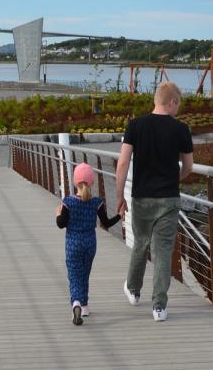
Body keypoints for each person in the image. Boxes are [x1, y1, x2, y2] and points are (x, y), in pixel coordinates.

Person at [115, 81, 194, 322]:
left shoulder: (135, 125)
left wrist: (119, 196)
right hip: (168, 198)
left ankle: (134, 290)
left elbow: (123, 162)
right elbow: (189, 167)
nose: (178, 109)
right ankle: (159, 307)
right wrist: (174, 179)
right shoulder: (181, 129)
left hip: (141, 197)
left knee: (140, 244)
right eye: (178, 104)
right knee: (162, 251)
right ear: (171, 102)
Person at [56, 163, 121, 326]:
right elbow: (106, 223)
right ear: (91, 183)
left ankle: (76, 303)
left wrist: (58, 214)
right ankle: (84, 306)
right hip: (90, 244)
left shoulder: (68, 202)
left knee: (74, 275)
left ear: (75, 182)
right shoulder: (97, 202)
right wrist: (120, 215)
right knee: (84, 274)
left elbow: (61, 224)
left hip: (73, 244)